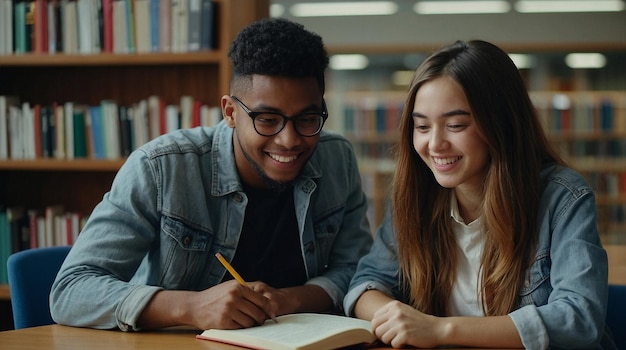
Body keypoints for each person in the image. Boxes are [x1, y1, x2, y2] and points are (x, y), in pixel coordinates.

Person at [50, 18, 373, 332]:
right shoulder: (161, 166)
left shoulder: (336, 158)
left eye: (307, 119)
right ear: (231, 112)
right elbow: (72, 290)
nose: (288, 140)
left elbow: (356, 268)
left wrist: (291, 299)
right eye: (267, 119)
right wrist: (191, 307)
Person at [344, 40, 614, 349]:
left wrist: (439, 330)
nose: (434, 145)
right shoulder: (416, 195)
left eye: (455, 125)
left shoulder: (563, 198)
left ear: (501, 124)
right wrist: (395, 316)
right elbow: (365, 285)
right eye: (421, 126)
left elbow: (579, 317)